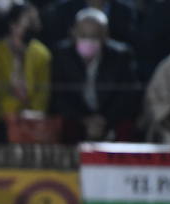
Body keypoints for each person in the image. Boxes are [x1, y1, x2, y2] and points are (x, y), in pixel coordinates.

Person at [50, 7, 141, 142]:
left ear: (105, 36)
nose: (88, 41)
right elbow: (59, 96)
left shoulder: (121, 56)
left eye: (94, 36)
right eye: (83, 35)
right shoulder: (62, 55)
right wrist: (85, 120)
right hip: (77, 118)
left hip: (110, 119)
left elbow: (127, 95)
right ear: (73, 33)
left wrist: (104, 120)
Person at [0, 2, 50, 141]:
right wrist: (14, 113)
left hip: (32, 121)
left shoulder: (42, 54)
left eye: (35, 22)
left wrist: (30, 114)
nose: (34, 27)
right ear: (13, 25)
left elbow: (43, 93)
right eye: (29, 22)